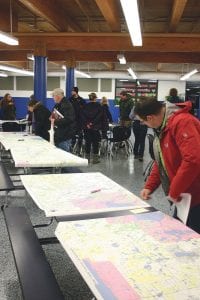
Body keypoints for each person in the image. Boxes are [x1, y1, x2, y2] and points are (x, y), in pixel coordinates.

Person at [134, 97, 200, 233]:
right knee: (181, 232)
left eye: (143, 122)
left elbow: (193, 160)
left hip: (195, 195)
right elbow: (161, 161)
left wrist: (174, 190)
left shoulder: (182, 122)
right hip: (185, 196)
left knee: (190, 237)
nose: (144, 125)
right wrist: (150, 186)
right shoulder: (164, 127)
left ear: (150, 117)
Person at [81, 92, 104, 163]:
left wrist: (87, 123)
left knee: (87, 142)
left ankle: (87, 159)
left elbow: (82, 116)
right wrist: (92, 123)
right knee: (95, 143)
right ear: (95, 98)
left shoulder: (85, 106)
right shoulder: (99, 106)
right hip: (95, 127)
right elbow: (99, 116)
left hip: (86, 127)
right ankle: (95, 159)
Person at [69, 87, 86, 154]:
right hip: (72, 121)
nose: (71, 92)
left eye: (72, 91)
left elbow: (85, 110)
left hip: (80, 121)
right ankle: (72, 147)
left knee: (80, 135)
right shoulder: (70, 100)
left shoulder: (81, 100)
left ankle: (79, 148)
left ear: (76, 92)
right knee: (72, 135)